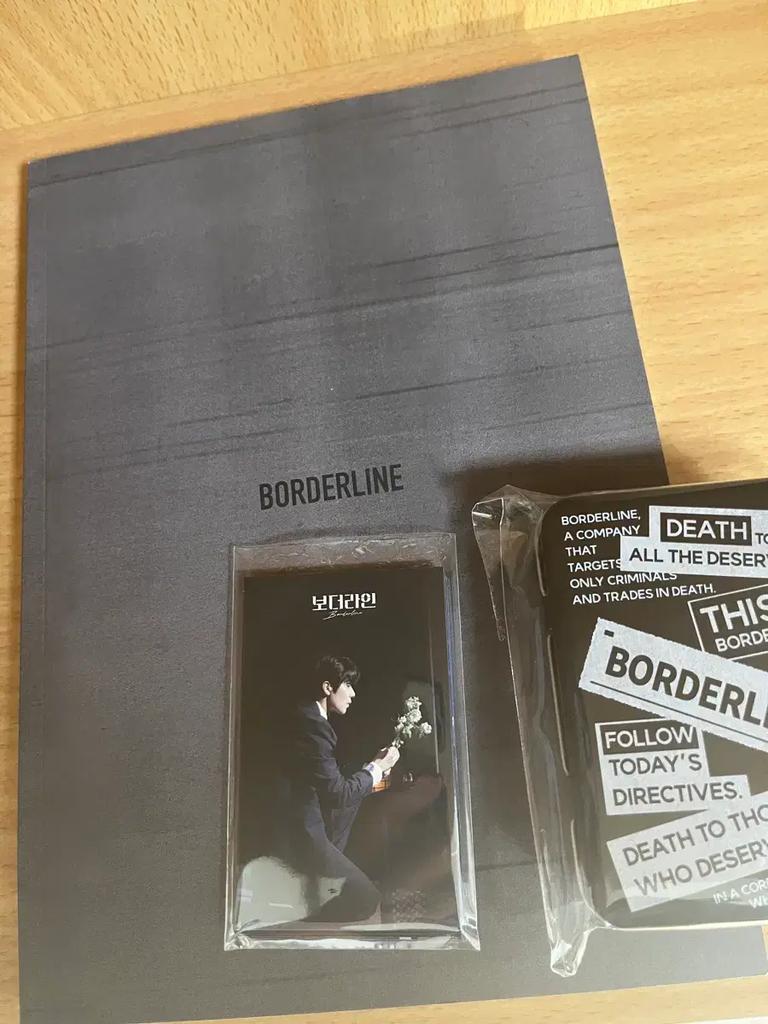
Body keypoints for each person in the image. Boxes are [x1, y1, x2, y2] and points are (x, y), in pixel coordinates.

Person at [280, 654, 399, 922]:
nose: (353, 694)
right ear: (327, 687)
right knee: (367, 900)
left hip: (311, 826)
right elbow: (337, 794)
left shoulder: (309, 720)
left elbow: (333, 788)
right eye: (348, 684)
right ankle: (303, 917)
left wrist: (375, 771)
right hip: (303, 837)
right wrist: (376, 768)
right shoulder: (312, 727)